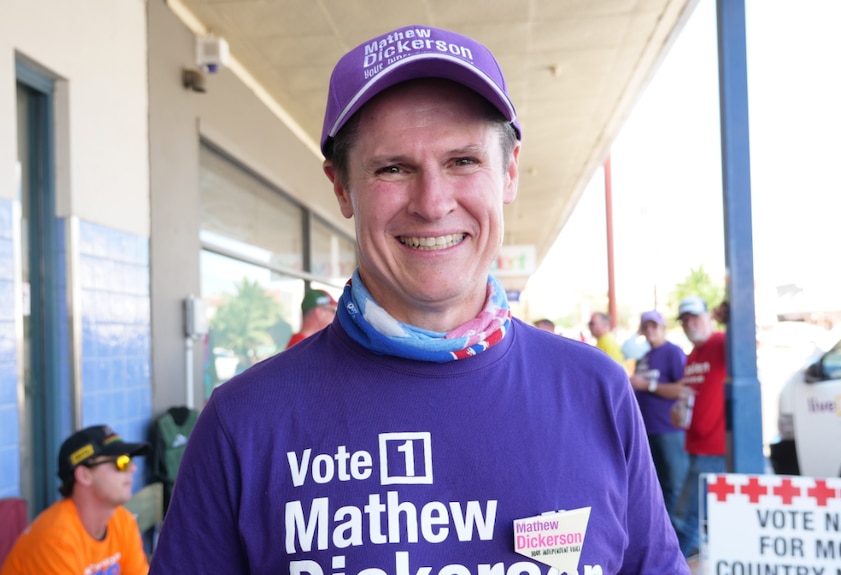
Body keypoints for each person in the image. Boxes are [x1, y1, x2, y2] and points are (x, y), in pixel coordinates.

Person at [150, 24, 687, 574]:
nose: (432, 204)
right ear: (341, 188)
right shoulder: (244, 422)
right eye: (393, 168)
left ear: (510, 171)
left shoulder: (596, 392)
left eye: (463, 161)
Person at [1, 425, 150, 575]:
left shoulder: (123, 522)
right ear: (84, 475)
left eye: (131, 461)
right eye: (121, 462)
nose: (132, 469)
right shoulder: (56, 540)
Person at [669, 295, 727, 559]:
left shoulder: (719, 343)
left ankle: (671, 564)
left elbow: (747, 345)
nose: (689, 324)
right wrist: (679, 409)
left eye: (694, 318)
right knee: (699, 516)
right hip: (694, 444)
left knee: (685, 517)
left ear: (708, 318)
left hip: (714, 449)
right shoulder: (692, 355)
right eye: (684, 320)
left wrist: (730, 317)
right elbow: (690, 394)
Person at [628, 310, 689, 513]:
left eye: (654, 326)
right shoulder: (644, 357)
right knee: (657, 485)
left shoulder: (672, 352)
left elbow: (683, 388)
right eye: (647, 326)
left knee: (677, 484)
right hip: (648, 429)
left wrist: (648, 386)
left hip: (668, 428)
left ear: (663, 328)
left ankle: (682, 536)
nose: (650, 330)